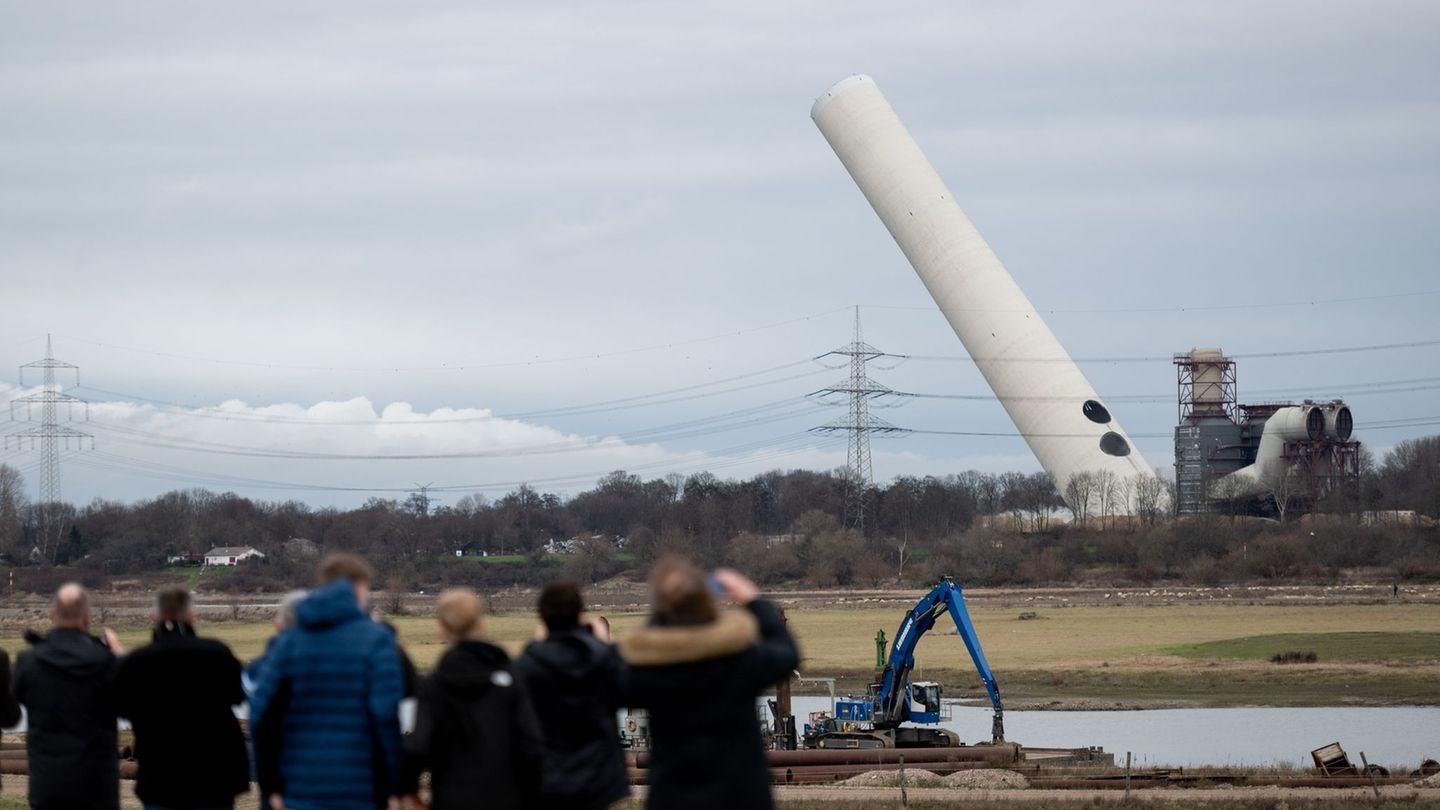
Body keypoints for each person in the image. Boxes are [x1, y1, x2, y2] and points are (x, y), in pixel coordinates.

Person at [618, 559, 798, 810]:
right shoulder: (739, 659)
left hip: (673, 797)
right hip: (740, 795)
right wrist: (755, 601)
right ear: (706, 604)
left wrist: (661, 617)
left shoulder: (649, 671)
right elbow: (786, 655)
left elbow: (606, 682)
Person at [249, 554, 405, 810]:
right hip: (360, 787)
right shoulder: (376, 640)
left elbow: (262, 714)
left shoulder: (289, 642)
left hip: (298, 786)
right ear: (357, 587)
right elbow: (385, 716)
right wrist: (392, 786)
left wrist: (271, 785)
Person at [401, 589, 544, 810]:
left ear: (441, 630)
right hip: (507, 799)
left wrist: (410, 790)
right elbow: (532, 744)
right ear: (482, 625)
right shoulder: (510, 681)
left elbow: (417, 747)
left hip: (452, 798)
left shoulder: (434, 686)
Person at [114, 587, 249, 810]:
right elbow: (239, 695)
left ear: (154, 617)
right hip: (214, 776)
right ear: (192, 615)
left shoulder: (137, 661)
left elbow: (121, 706)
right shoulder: (217, 653)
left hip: (160, 776)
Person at [514, 581, 629, 810]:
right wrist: (603, 646)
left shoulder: (525, 667)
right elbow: (626, 693)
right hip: (596, 777)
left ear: (542, 617)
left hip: (545, 774)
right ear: (579, 614)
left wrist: (539, 644)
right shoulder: (604, 662)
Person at [13, 582, 125, 810]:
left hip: (48, 784)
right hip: (97, 785)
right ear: (87, 617)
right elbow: (133, 705)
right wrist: (121, 659)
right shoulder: (106, 662)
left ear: (52, 614)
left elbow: (12, 713)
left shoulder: (29, 662)